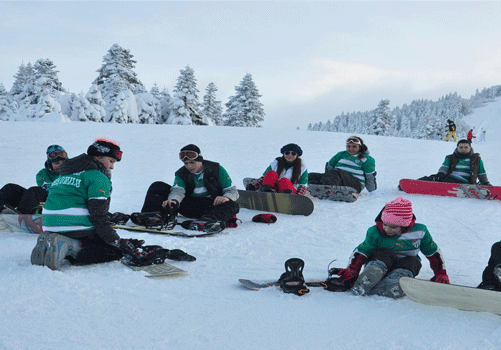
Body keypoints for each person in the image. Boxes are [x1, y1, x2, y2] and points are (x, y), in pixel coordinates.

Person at [31, 139, 142, 270]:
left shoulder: (66, 174)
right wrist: (116, 242)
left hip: (49, 224)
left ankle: (51, 241)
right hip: (74, 227)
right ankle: (70, 247)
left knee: (102, 241)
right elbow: (98, 216)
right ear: (98, 157)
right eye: (111, 161)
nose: (112, 167)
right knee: (112, 251)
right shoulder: (98, 177)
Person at [326, 197, 449, 298]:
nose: (387, 229)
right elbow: (362, 251)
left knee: (413, 262)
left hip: (405, 263)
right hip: (382, 260)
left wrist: (441, 273)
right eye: (385, 224)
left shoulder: (420, 232)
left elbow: (433, 253)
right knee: (384, 253)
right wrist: (352, 270)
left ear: (404, 226)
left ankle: (396, 281)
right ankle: (373, 272)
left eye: (393, 227)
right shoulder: (375, 232)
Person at [136, 144, 239, 232]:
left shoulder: (217, 169)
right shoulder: (181, 173)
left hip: (210, 206)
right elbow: (178, 190)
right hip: (189, 205)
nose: (189, 166)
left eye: (192, 163)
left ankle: (207, 221)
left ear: (200, 160)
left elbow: (232, 191)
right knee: (157, 186)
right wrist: (174, 201)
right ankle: (151, 216)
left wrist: (226, 198)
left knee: (233, 205)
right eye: (186, 163)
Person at [0, 145, 67, 214]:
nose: (60, 165)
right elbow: (46, 187)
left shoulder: (72, 174)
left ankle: (21, 217)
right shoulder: (43, 173)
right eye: (56, 163)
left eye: (63, 162)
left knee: (35, 191)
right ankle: (2, 211)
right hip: (47, 198)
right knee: (11, 188)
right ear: (50, 165)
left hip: (61, 202)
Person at [309, 136, 377, 193]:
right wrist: (325, 177)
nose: (351, 149)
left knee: (335, 173)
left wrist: (372, 191)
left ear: (360, 147)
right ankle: (305, 185)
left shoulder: (366, 159)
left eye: (354, 146)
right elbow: (329, 167)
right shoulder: (341, 154)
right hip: (337, 178)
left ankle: (327, 189)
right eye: (348, 146)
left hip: (355, 184)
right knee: (311, 176)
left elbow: (370, 177)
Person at [418, 139, 491, 186]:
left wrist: (485, 182)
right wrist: (440, 174)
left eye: (466, 147)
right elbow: (444, 167)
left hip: (466, 183)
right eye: (461, 147)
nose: (463, 149)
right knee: (431, 178)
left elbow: (481, 172)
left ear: (470, 148)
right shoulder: (451, 157)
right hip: (449, 179)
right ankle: (416, 183)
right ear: (457, 148)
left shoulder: (476, 159)